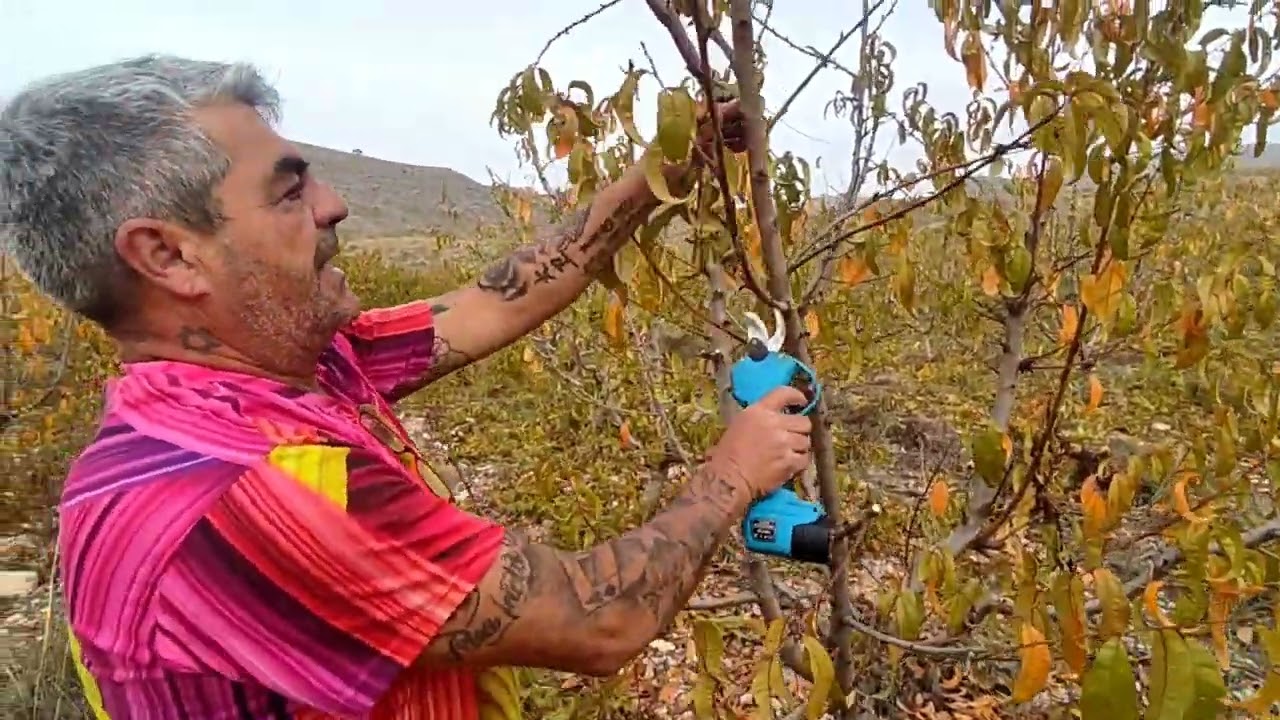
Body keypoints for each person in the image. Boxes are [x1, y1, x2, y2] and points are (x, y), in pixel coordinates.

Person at [0, 55, 814, 719]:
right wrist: (734, 474)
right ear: (168, 256)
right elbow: (597, 622)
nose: (334, 203)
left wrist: (653, 176)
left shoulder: (286, 368)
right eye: (288, 191)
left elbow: (498, 300)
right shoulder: (245, 494)